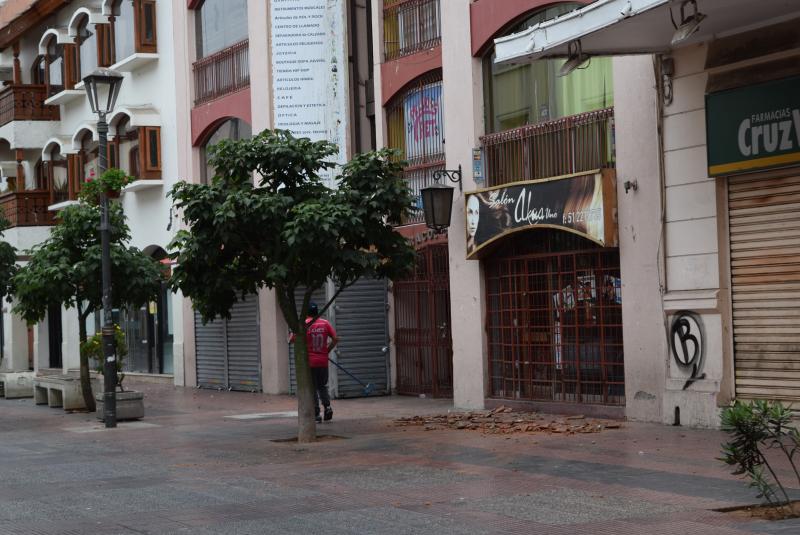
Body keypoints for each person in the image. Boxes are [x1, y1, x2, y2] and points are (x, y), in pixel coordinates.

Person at [298, 303, 338, 423]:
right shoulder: (325, 323)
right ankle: (327, 407)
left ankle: (316, 413)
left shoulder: (304, 324)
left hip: (310, 362)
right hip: (322, 361)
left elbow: (293, 339)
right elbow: (335, 339)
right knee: (322, 386)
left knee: (312, 388)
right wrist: (327, 350)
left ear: (306, 313)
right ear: (317, 312)